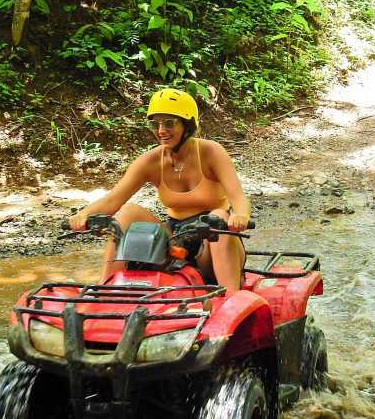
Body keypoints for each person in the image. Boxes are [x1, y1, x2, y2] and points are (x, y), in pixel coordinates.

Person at [68, 88, 251, 293]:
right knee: (128, 211)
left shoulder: (211, 152)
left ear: (187, 124)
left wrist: (240, 215)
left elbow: (238, 197)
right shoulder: (151, 160)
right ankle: (106, 287)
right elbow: (113, 199)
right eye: (155, 124)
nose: (161, 130)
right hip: (174, 237)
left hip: (214, 240)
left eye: (169, 123)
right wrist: (83, 214)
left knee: (218, 215)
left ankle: (231, 295)